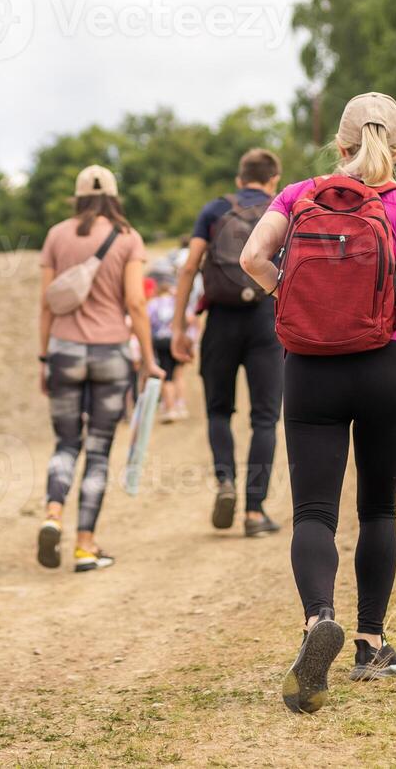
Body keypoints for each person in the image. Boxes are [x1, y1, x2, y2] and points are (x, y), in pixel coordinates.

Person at [238, 93, 396, 713]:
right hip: (385, 363)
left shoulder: (299, 194)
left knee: (313, 511)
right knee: (378, 509)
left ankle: (316, 624)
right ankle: (371, 644)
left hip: (310, 368)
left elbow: (252, 257)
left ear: (340, 145)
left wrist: (286, 298)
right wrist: (394, 310)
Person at [37, 165, 164, 572]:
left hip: (64, 351)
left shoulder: (57, 235)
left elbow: (46, 303)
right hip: (110, 353)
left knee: (65, 443)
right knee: (97, 450)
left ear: (77, 197)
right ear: (114, 196)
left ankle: (53, 514)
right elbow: (136, 303)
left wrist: (44, 357)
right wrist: (148, 360)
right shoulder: (128, 238)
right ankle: (85, 545)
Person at [172, 148, 285, 537]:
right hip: (267, 321)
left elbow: (189, 268)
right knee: (265, 418)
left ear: (240, 179)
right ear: (274, 179)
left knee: (219, 411)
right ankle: (254, 513)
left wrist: (178, 329)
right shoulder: (282, 207)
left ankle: (225, 481)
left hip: (219, 320)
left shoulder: (214, 209)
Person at [146, 270, 191, 422]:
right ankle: (181, 405)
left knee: (167, 377)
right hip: (176, 339)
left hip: (160, 342)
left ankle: (170, 408)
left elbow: (148, 323)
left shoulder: (153, 304)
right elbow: (189, 318)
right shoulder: (176, 302)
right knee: (178, 374)